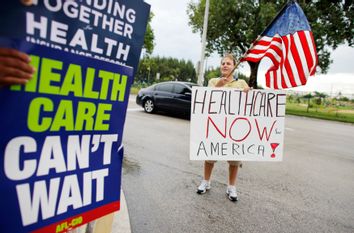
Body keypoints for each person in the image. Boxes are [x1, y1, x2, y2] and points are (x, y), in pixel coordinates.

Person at [196, 53, 250, 202]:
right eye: (223, 63)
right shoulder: (213, 81)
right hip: (216, 127)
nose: (225, 65)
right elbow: (205, 100)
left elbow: (249, 106)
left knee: (234, 160)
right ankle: (206, 181)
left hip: (235, 129)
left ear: (234, 67)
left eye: (228, 63)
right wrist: (219, 86)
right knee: (210, 156)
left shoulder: (241, 84)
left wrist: (248, 94)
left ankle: (231, 186)